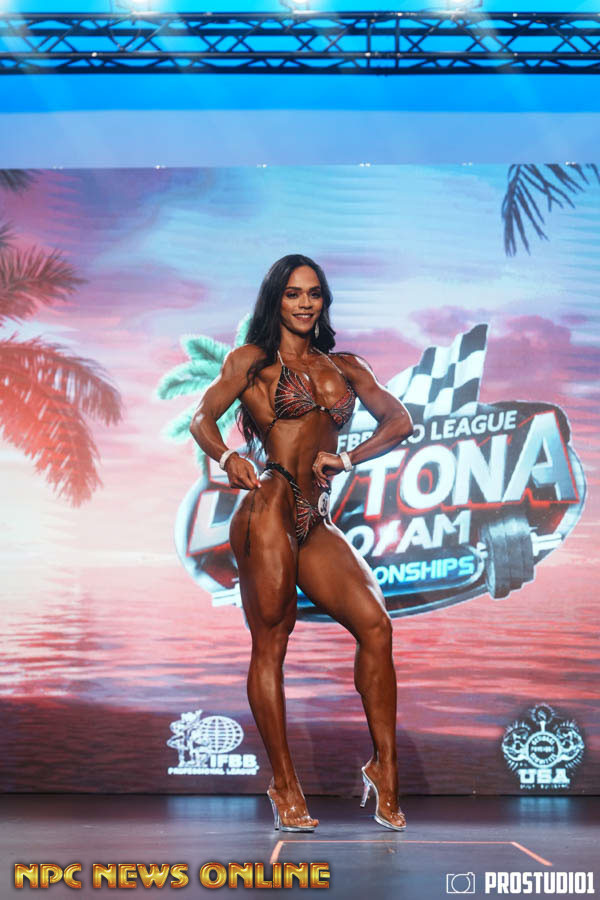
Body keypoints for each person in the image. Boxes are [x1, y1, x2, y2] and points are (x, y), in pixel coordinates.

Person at [190, 254, 414, 833]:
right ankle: (284, 783)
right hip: (267, 504)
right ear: (277, 300)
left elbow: (399, 421)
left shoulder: (346, 366)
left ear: (324, 301)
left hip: (314, 518)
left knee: (376, 626)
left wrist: (349, 457)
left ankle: (384, 768)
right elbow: (201, 418)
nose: (305, 303)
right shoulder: (252, 362)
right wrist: (227, 456)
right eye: (293, 294)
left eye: (314, 293)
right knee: (272, 641)